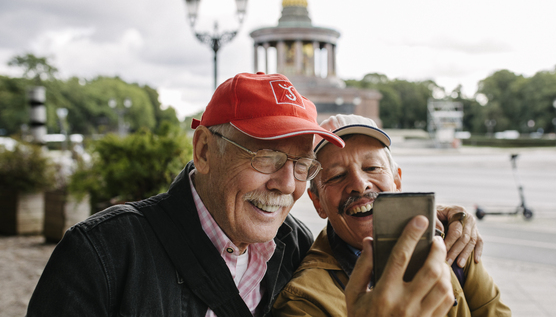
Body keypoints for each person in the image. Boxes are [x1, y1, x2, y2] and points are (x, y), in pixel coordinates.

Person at [26, 74, 468, 317]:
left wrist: (444, 223)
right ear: (204, 151)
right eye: (267, 157)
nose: (286, 185)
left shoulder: (296, 249)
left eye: (301, 165)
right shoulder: (104, 254)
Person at [272, 114, 511, 317]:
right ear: (318, 203)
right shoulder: (304, 301)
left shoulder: (450, 240)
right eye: (336, 176)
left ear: (397, 181)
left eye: (372, 168)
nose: (360, 184)